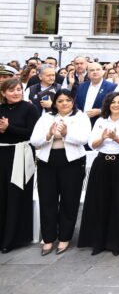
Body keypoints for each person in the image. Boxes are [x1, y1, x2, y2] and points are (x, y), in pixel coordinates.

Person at [29, 88, 90, 255]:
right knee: (47, 199)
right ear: (55, 103)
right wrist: (48, 133)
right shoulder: (46, 117)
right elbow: (35, 141)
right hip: (47, 162)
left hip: (72, 162)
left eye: (68, 100)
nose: (64, 103)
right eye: (61, 101)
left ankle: (65, 237)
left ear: (73, 101)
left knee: (69, 200)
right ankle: (48, 238)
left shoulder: (81, 116)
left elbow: (84, 139)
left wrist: (66, 133)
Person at [78, 92, 119, 255]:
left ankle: (118, 242)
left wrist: (115, 137)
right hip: (102, 163)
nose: (116, 105)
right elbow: (93, 144)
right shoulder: (100, 121)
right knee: (99, 201)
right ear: (108, 104)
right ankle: (98, 241)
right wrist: (104, 138)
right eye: (113, 102)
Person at [0, 78, 39, 253]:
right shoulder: (1, 109)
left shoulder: (29, 108)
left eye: (18, 89)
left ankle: (13, 238)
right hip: (2, 155)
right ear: (3, 93)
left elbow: (32, 133)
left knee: (16, 195)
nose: (16, 93)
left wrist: (9, 128)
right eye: (12, 90)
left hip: (20, 155)